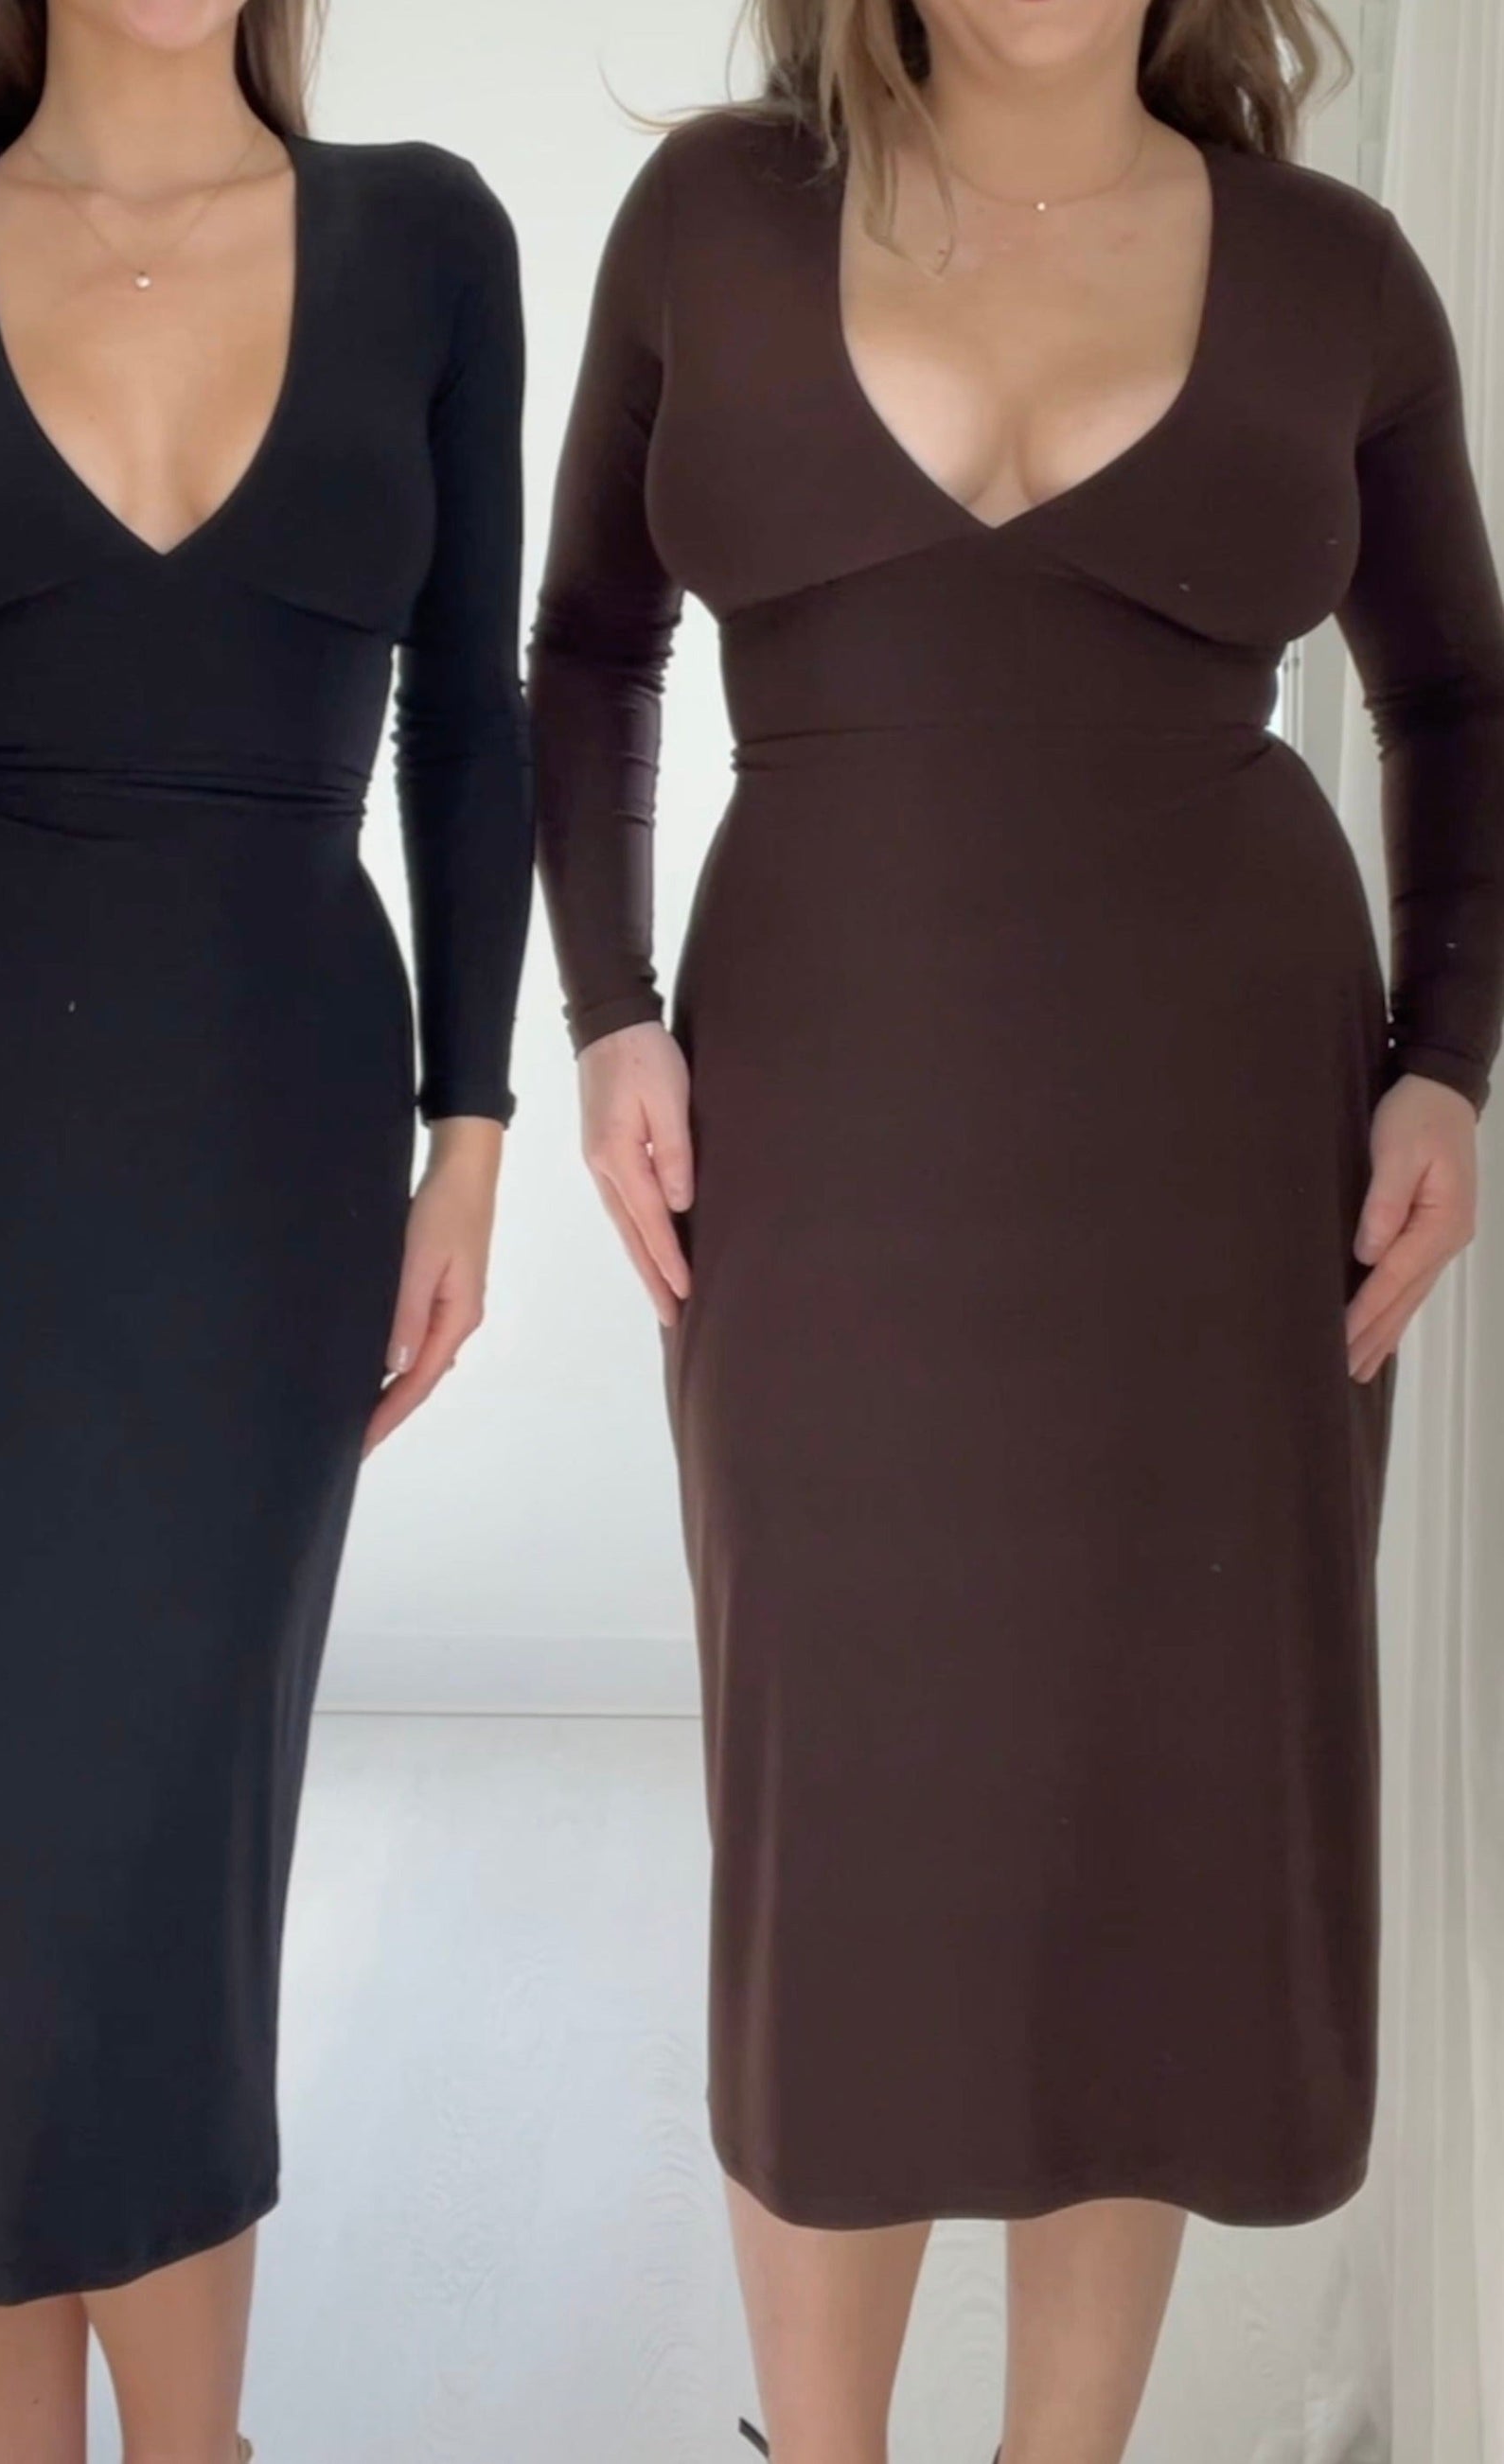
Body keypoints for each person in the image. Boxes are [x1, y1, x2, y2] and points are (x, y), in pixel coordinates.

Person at [529, 0, 1504, 2455]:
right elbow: (589, 645)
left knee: (1148, 1819)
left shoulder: (1335, 274)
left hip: (1225, 1153)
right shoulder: (711, 223)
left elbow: (1458, 703)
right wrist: (610, 1010)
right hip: (820, 1122)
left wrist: (1444, 1059)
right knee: (839, 1824)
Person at [0, 1, 529, 2456]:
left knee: (163, 1858)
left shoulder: (424, 238)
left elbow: (465, 717)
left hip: (267, 1133)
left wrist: (471, 1131)